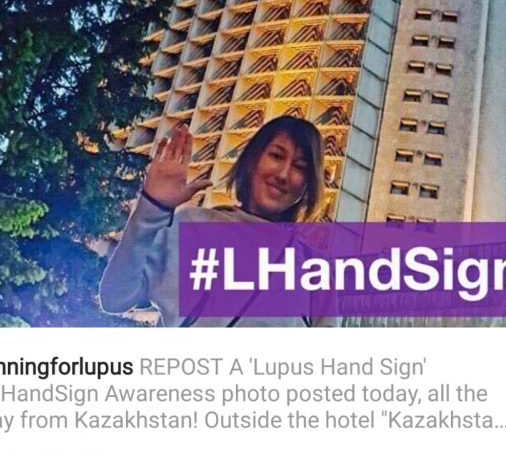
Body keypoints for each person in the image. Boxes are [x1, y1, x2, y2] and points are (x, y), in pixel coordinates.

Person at [99, 115, 337, 326]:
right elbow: (116, 297)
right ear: (253, 159)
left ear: (308, 184)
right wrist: (152, 207)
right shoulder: (194, 226)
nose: (283, 174)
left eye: (300, 167)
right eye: (276, 156)